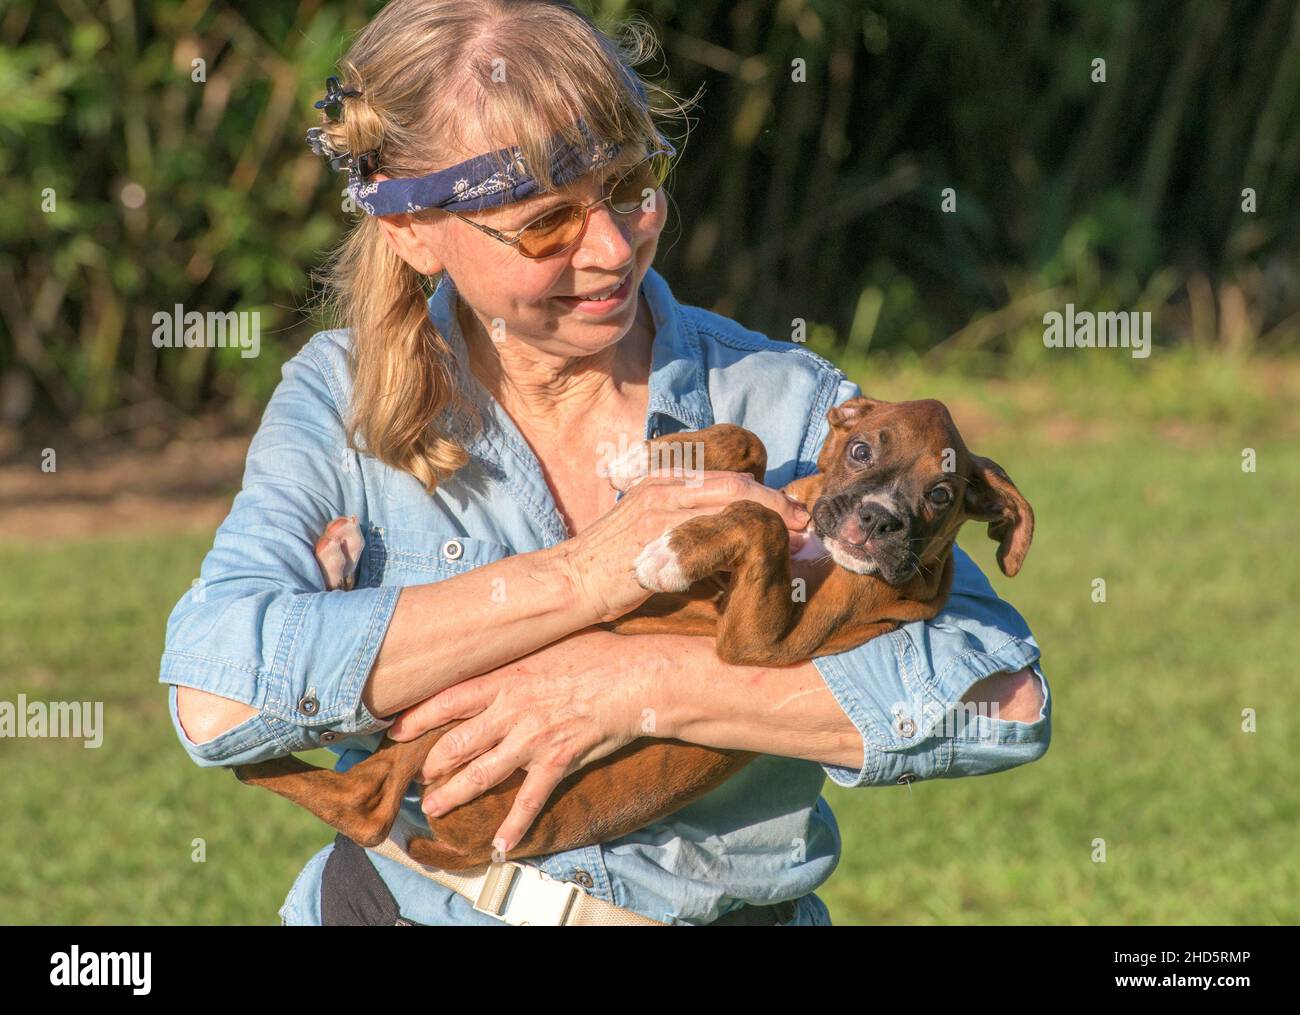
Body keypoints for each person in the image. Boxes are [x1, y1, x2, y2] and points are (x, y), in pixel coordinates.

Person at [160, 0, 1050, 926]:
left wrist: (644, 688)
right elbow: (215, 696)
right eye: (547, 222)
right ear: (415, 229)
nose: (614, 246)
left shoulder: (781, 399)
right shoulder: (338, 397)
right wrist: (587, 575)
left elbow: (1004, 698)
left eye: (632, 185)